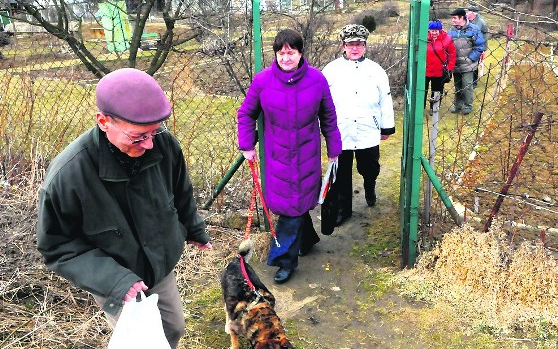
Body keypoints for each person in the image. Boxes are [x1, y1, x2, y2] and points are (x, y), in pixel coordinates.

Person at [36, 68, 212, 349]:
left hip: (159, 265)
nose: (150, 143)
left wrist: (194, 228)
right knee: (142, 343)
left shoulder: (164, 146)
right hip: (115, 276)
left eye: (155, 132)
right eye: (138, 136)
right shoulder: (68, 176)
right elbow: (58, 246)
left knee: (174, 327)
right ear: (104, 122)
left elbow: (181, 192)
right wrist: (116, 282)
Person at [237, 29, 342, 284]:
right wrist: (247, 144)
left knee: (296, 206)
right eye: (281, 53)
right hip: (277, 156)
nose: (286, 58)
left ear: (300, 53)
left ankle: (285, 260)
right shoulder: (262, 81)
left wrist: (334, 149)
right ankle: (305, 241)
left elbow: (328, 116)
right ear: (276, 54)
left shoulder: (317, 80)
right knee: (291, 206)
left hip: (307, 154)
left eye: (291, 52)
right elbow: (245, 114)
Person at [322, 24, 395, 225]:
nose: (355, 48)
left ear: (365, 46)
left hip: (368, 129)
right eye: (350, 44)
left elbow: (386, 100)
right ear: (342, 46)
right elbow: (322, 100)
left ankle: (370, 187)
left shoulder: (376, 70)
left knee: (370, 166)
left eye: (359, 44)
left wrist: (386, 127)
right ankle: (344, 209)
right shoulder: (331, 70)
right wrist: (324, 125)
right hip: (340, 130)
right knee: (341, 172)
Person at [447, 8, 485, 115]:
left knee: (467, 86)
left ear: (462, 18)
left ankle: (468, 105)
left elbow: (480, 46)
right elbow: (447, 45)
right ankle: (458, 105)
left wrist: (471, 58)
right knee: (458, 86)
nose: (453, 20)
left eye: (455, 18)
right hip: (455, 64)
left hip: (468, 64)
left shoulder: (474, 29)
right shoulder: (451, 30)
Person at [425, 20, 456, 115]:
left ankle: (434, 107)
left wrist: (449, 68)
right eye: (432, 30)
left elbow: (452, 53)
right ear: (428, 30)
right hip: (425, 70)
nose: (434, 33)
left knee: (437, 89)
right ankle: (420, 106)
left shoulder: (447, 39)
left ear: (440, 30)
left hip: (439, 70)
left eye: (436, 31)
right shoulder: (424, 38)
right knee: (423, 89)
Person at [466, 5, 489, 88]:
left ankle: (474, 82)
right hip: (467, 46)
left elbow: (485, 36)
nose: (466, 13)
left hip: (477, 47)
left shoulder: (481, 23)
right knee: (467, 63)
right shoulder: (466, 21)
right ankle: (466, 81)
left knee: (474, 64)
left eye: (468, 11)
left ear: (473, 13)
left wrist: (482, 48)